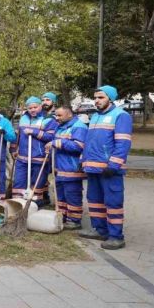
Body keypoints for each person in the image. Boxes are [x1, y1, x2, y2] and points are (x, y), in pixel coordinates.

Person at [80, 85, 132, 250]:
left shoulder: (121, 116)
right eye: (95, 98)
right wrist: (83, 160)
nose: (96, 101)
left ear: (110, 98)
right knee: (95, 201)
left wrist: (114, 164)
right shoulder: (94, 116)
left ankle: (116, 237)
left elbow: (123, 143)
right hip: (93, 168)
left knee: (113, 202)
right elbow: (90, 142)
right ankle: (100, 230)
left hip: (109, 169)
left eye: (101, 97)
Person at [45, 105, 87, 230]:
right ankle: (62, 216)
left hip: (72, 168)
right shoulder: (60, 127)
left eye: (59, 115)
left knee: (72, 195)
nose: (56, 118)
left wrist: (58, 143)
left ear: (69, 114)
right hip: (60, 167)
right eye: (56, 115)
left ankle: (74, 220)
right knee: (61, 195)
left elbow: (79, 146)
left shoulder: (79, 127)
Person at [11, 96, 57, 205]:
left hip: (39, 158)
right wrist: (13, 148)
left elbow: (51, 137)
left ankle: (34, 205)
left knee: (36, 185)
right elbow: (17, 135)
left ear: (40, 106)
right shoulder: (23, 118)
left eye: (35, 107)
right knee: (18, 183)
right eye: (30, 108)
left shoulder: (48, 119)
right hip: (22, 158)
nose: (32, 110)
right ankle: (18, 206)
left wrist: (35, 132)